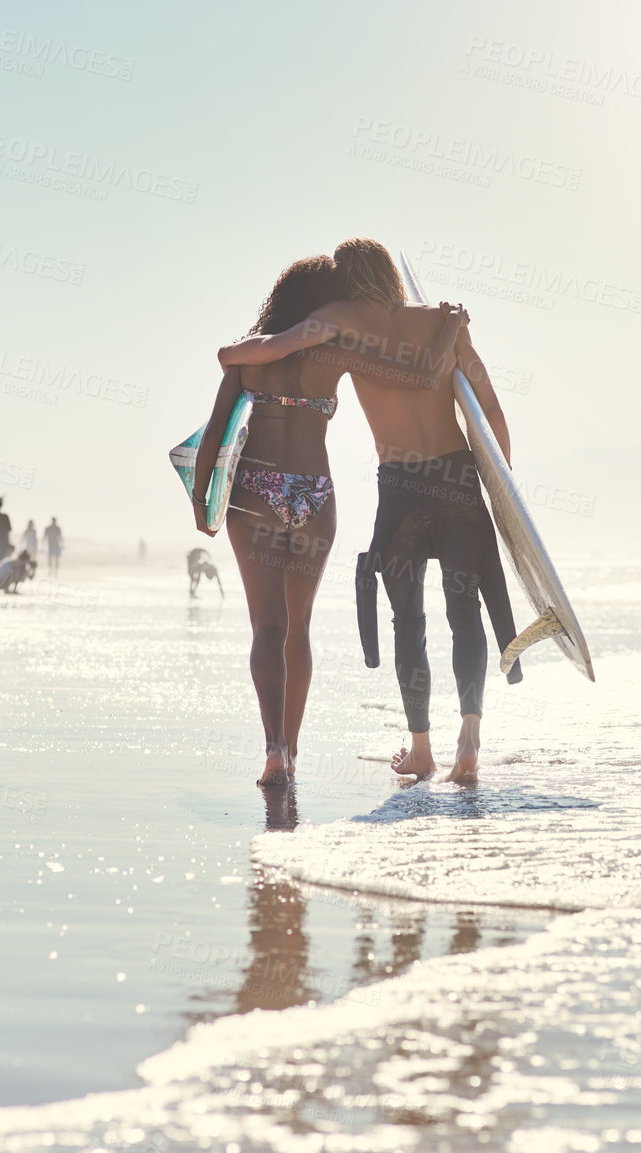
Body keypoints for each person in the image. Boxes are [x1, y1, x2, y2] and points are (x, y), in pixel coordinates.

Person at [218, 237, 519, 787]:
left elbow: (283, 344)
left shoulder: (341, 319)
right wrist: (502, 491)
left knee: (409, 620)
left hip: (401, 484)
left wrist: (232, 355)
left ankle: (422, 749)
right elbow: (489, 406)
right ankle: (469, 738)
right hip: (458, 478)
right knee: (465, 611)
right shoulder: (442, 321)